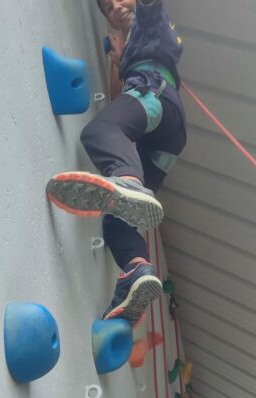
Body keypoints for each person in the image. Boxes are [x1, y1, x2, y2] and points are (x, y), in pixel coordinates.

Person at [46, 0, 186, 327]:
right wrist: (117, 61)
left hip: (156, 96)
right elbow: (119, 103)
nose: (117, 7)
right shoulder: (130, 48)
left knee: (99, 132)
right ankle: (136, 269)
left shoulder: (150, 20)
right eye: (108, 8)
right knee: (115, 216)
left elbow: (116, 118)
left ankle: (129, 181)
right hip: (164, 139)